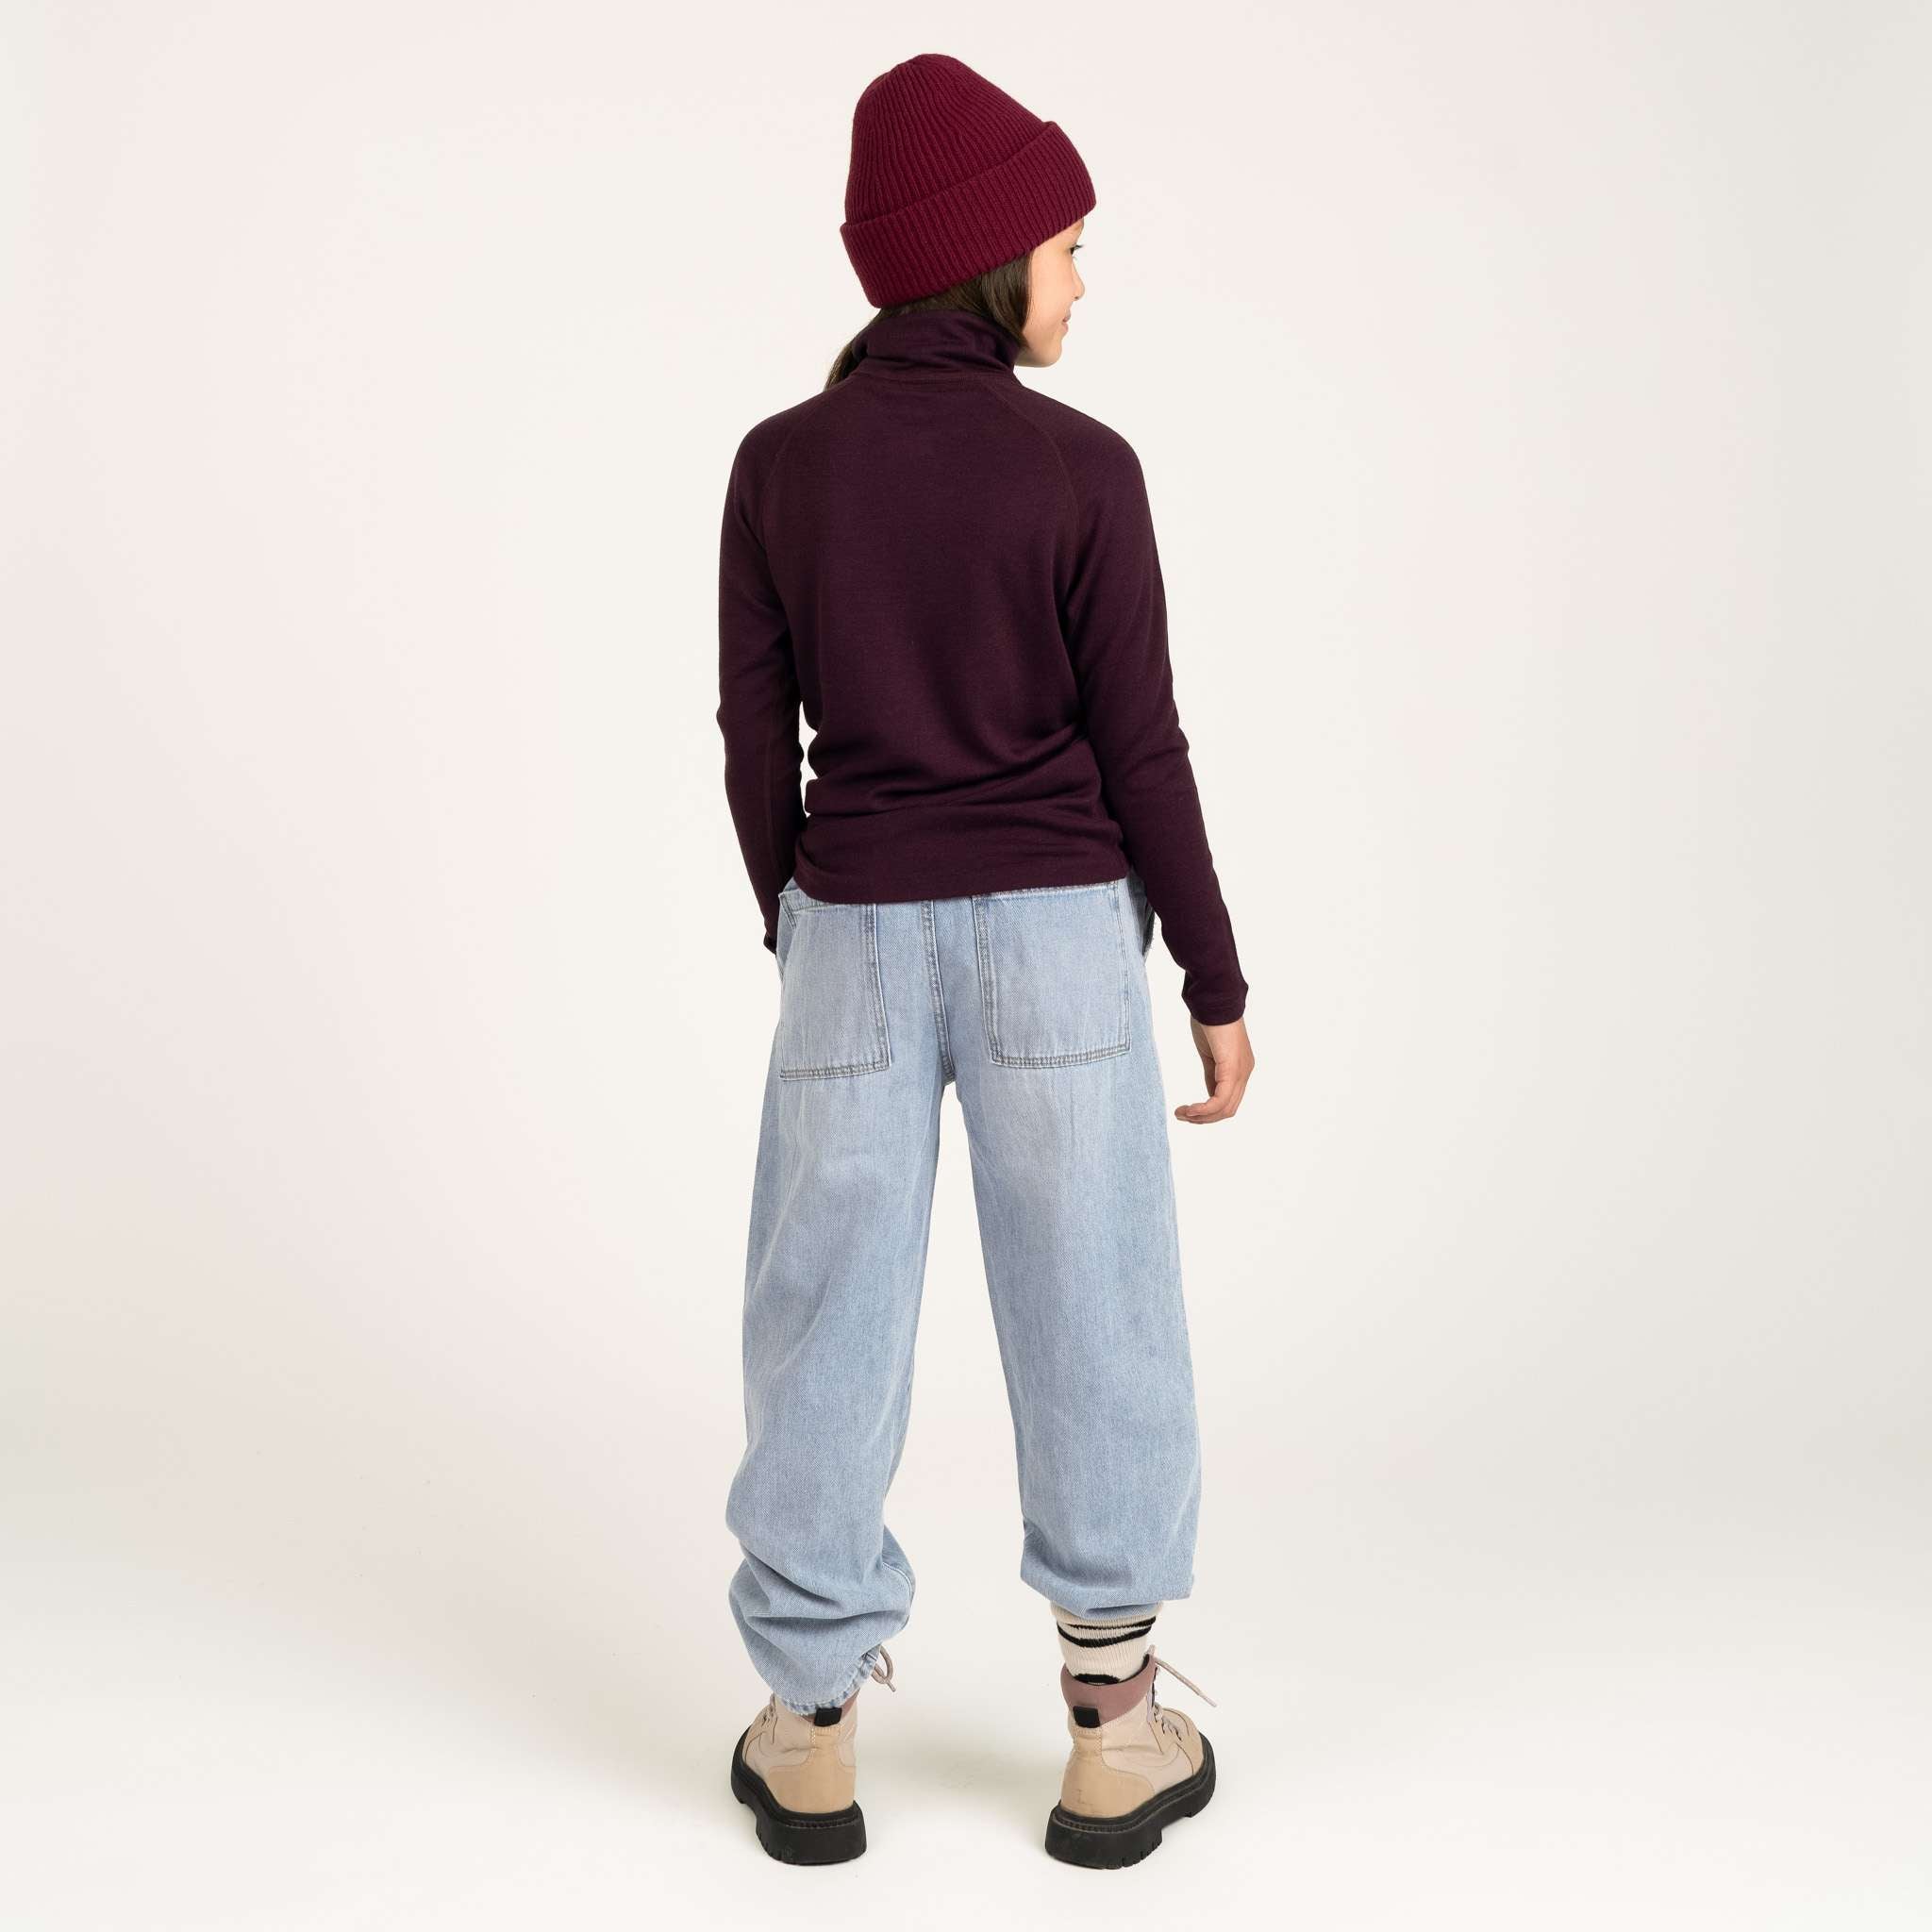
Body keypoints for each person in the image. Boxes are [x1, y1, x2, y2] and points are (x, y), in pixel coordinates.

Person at [715, 52, 1255, 1869]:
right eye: (1069, 246)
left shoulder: (781, 465)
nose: (1083, 281)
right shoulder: (1083, 470)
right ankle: (1115, 1735)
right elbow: (1141, 747)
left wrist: (805, 915)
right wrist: (1213, 979)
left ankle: (807, 1731)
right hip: (1057, 942)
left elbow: (754, 738)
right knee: (1097, 1306)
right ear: (986, 258)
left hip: (853, 929)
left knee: (823, 1314)